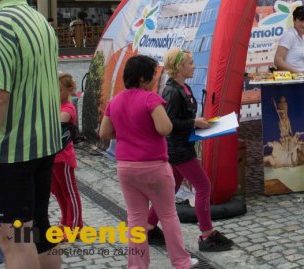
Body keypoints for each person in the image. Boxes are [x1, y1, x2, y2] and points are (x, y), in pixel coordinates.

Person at [0, 0, 61, 269]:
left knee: (14, 242)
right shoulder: (38, 20)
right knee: (40, 232)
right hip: (43, 145)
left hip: (10, 155)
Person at [99, 55, 196, 269]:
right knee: (168, 215)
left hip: (126, 167)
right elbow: (165, 128)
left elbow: (104, 132)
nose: (155, 79)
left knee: (135, 219)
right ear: (143, 79)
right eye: (153, 75)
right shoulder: (151, 99)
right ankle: (181, 262)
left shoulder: (115, 101)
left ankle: (137, 265)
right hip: (153, 166)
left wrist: (127, 133)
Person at [146, 48, 234, 252]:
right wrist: (193, 123)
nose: (194, 66)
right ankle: (207, 234)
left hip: (183, 145)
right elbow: (169, 123)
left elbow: (181, 120)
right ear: (179, 67)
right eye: (191, 63)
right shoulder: (172, 91)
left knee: (170, 190)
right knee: (203, 186)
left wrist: (198, 124)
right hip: (179, 149)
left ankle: (149, 226)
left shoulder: (183, 87)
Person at [51, 73, 84, 231]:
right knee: (58, 192)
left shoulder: (67, 108)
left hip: (62, 158)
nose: (54, 93)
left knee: (69, 192)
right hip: (52, 157)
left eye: (58, 90)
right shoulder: (54, 106)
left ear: (69, 90)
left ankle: (75, 225)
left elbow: (57, 122)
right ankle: (65, 221)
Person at [274, 5, 304, 74]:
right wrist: (299, 73)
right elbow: (278, 61)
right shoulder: (289, 35)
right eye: (301, 20)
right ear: (294, 20)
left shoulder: (302, 37)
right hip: (291, 80)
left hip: (301, 78)